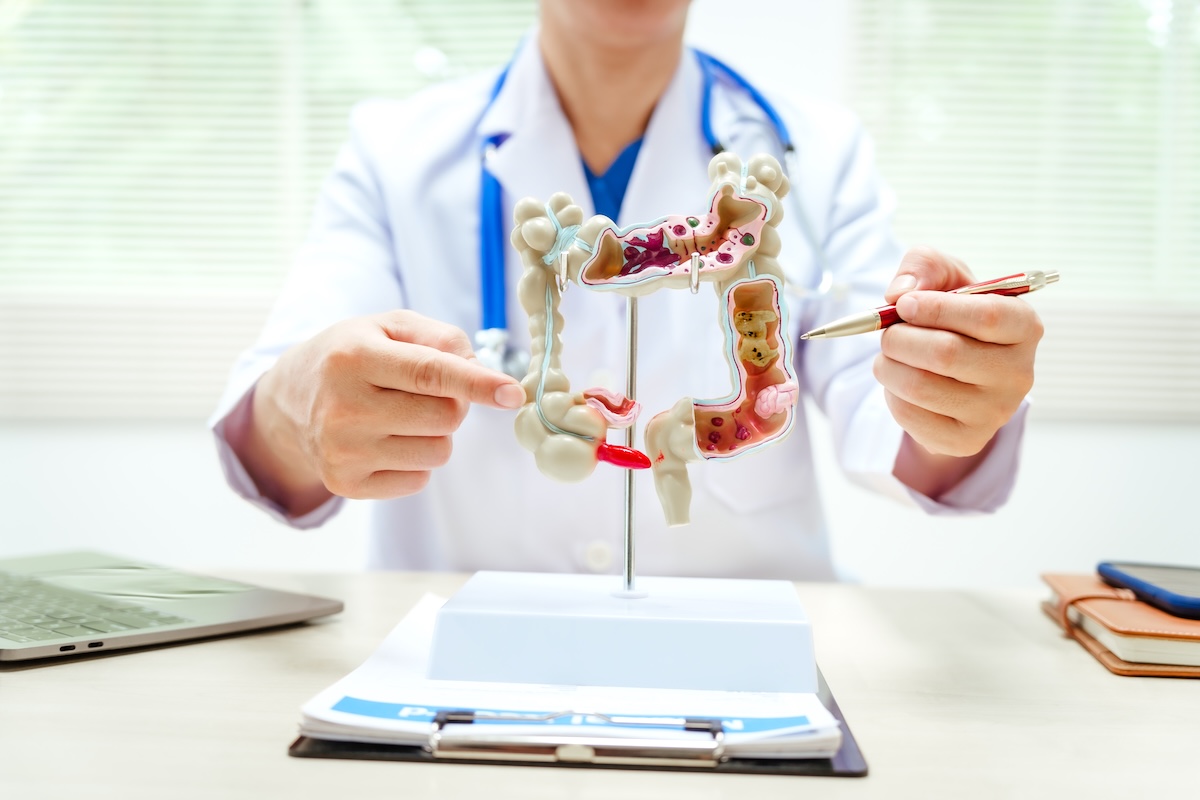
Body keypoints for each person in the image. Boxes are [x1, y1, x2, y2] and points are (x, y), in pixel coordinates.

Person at [210, 0, 1043, 580]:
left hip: (746, 667)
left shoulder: (813, 153)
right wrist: (301, 405)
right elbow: (278, 426)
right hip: (472, 662)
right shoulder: (393, 155)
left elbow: (890, 419)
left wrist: (949, 387)